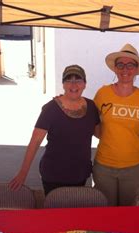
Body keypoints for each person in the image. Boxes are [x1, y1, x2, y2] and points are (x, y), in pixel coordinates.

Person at [93, 44, 139, 206]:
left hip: (134, 168)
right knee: (105, 211)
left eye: (130, 65)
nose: (125, 69)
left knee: (129, 214)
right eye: (120, 64)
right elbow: (91, 121)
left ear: (136, 69)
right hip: (104, 166)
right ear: (115, 68)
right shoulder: (102, 93)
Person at [9, 65, 100, 195]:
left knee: (75, 209)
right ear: (63, 84)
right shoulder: (51, 109)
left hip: (80, 173)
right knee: (55, 211)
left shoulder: (91, 107)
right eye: (68, 80)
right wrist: (23, 173)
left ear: (85, 84)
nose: (73, 84)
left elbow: (99, 133)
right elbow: (35, 141)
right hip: (54, 174)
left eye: (78, 80)